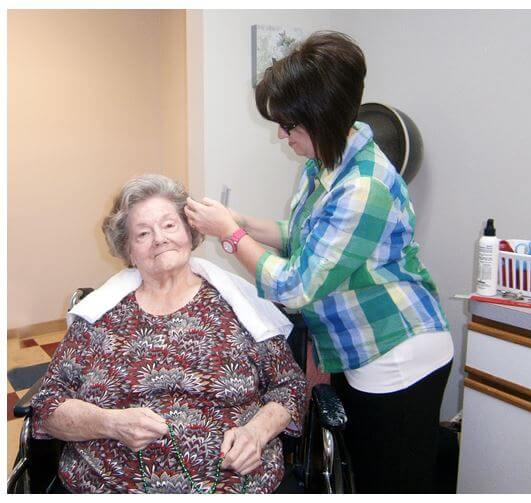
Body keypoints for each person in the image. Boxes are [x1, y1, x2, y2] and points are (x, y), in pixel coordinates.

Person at [183, 30, 453, 493]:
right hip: (357, 349)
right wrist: (239, 219)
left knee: (390, 482)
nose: (281, 135)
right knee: (363, 468)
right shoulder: (327, 163)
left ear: (320, 119)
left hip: (397, 352)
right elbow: (300, 236)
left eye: (289, 126)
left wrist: (230, 235)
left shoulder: (364, 187)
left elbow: (297, 285)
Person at [30, 174, 307, 493]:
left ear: (190, 232)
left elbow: (289, 385)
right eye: (143, 233)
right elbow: (48, 404)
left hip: (233, 482)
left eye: (169, 225)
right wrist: (112, 423)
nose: (159, 239)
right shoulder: (99, 317)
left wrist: (257, 432)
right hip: (111, 485)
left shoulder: (238, 307)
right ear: (128, 251)